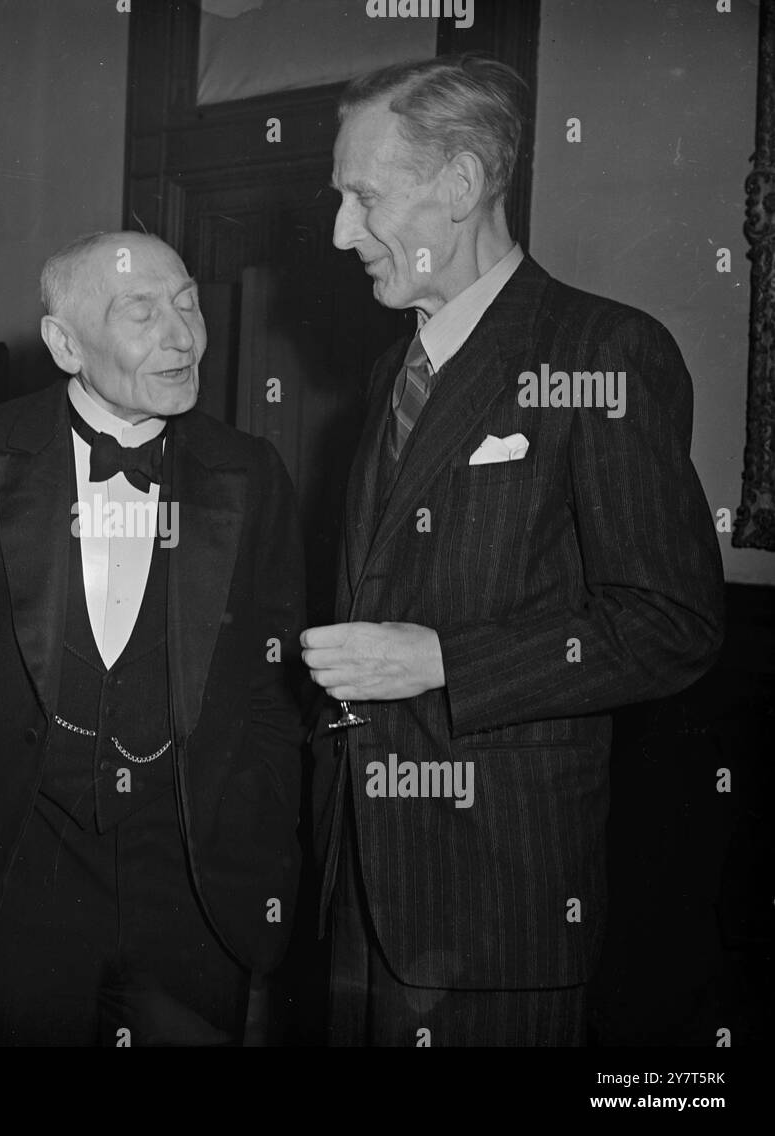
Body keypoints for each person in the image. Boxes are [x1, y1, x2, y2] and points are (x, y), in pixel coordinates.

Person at [303, 55, 725, 1046]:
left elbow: (671, 621)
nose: (337, 232)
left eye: (363, 197)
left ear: (458, 185)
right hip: (353, 880)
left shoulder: (599, 351)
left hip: (492, 899)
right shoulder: (387, 371)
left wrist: (444, 662)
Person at [0, 231, 306, 1045]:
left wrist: (258, 834)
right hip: (15, 880)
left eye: (189, 302)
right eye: (143, 311)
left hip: (194, 890)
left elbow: (275, 689)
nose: (184, 335)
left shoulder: (252, 471)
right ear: (65, 343)